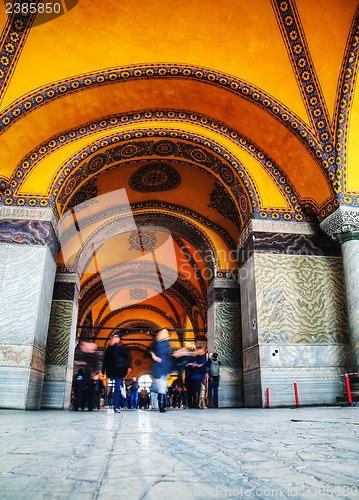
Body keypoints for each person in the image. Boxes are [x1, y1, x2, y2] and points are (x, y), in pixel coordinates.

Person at [102, 334, 132, 413]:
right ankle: (115, 405)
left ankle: (116, 406)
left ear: (118, 339)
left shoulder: (122, 348)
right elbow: (105, 360)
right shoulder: (109, 349)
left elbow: (128, 358)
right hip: (112, 371)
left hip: (120, 371)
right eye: (114, 338)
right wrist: (103, 371)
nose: (115, 339)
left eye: (116, 338)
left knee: (117, 388)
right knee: (114, 388)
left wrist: (129, 367)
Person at [73, 341, 101, 411]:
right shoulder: (85, 355)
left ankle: (88, 406)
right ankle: (78, 405)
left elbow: (95, 367)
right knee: (81, 391)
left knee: (89, 392)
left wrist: (83, 364)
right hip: (85, 375)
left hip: (90, 375)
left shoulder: (94, 356)